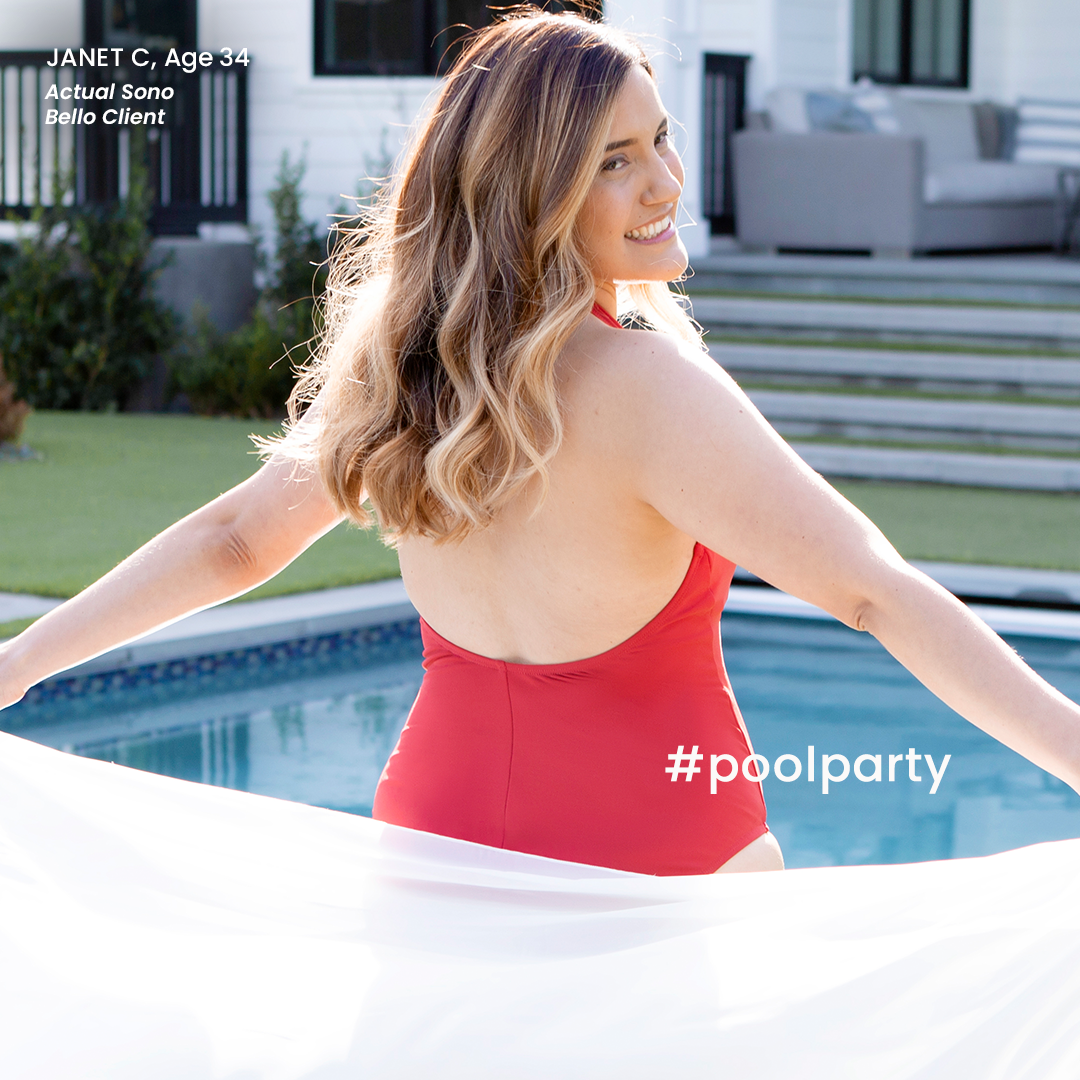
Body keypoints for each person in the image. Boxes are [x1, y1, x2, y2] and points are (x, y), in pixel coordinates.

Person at [1, 8, 1078, 881]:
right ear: (533, 192)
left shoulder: (406, 371)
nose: (664, 183)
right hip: (668, 861)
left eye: (661, 139)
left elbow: (237, 539)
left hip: (432, 845)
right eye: (615, 161)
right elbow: (871, 592)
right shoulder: (654, 391)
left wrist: (17, 666)